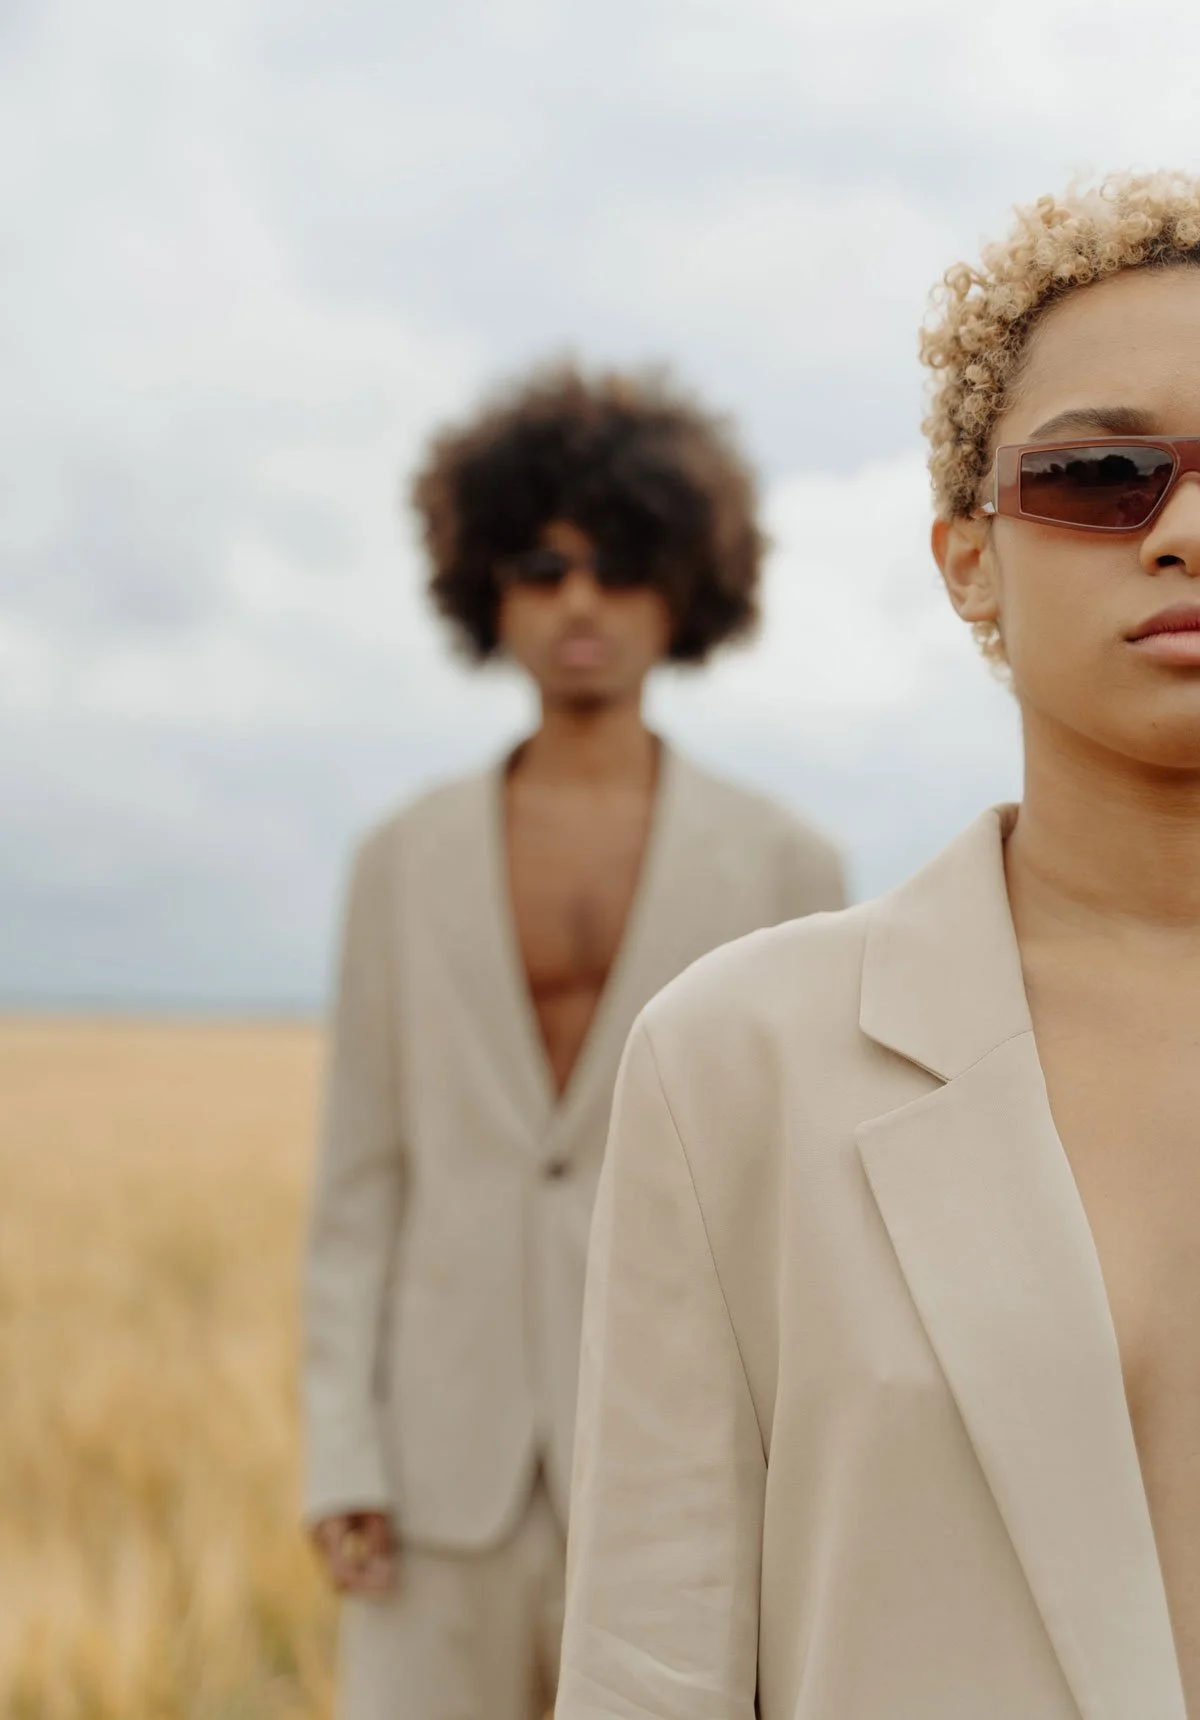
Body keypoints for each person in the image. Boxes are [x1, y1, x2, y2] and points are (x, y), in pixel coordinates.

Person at [556, 172, 1200, 1720]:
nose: (1184, 532)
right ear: (968, 555)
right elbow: (653, 1669)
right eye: (1105, 472)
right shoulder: (739, 1064)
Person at [301, 361, 846, 1720]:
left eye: (621, 563)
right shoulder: (398, 862)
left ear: (689, 586)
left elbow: (818, 1205)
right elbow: (358, 1184)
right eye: (543, 565)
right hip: (439, 1475)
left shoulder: (789, 863)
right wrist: (340, 1456)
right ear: (486, 585)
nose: (581, 601)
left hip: (696, 1467)